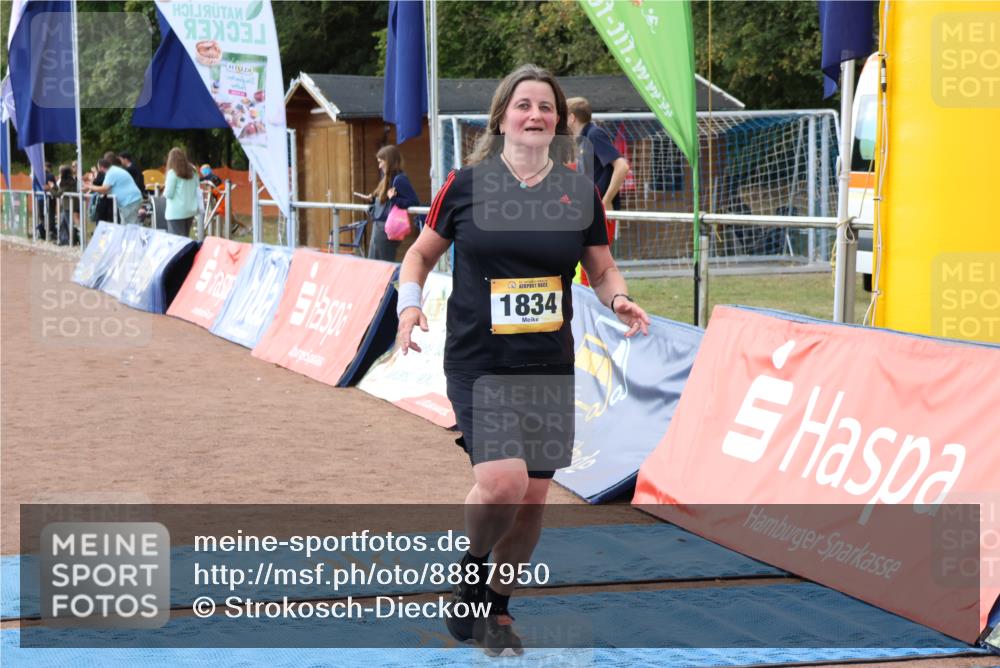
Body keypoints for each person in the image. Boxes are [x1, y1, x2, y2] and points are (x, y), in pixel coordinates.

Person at [396, 64, 650, 657]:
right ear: (502, 116)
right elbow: (418, 257)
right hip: (479, 361)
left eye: (546, 107)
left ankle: (499, 609)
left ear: (559, 121)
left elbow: (600, 264)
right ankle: (470, 572)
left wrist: (617, 296)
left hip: (547, 363)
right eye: (523, 105)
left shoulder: (577, 190)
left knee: (533, 498)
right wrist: (409, 309)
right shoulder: (465, 185)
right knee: (503, 482)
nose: (535, 115)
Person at [357, 145, 419, 261]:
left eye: (381, 162)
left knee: (382, 266)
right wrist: (373, 199)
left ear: (389, 161)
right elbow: (384, 201)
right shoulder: (387, 178)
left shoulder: (399, 179)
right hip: (379, 227)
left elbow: (413, 202)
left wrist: (394, 199)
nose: (380, 166)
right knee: (376, 264)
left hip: (387, 229)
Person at [85, 157, 143, 225]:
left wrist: (90, 187)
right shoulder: (114, 170)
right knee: (127, 225)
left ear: (101, 167)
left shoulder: (111, 173)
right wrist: (92, 187)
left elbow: (104, 189)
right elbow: (106, 189)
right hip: (132, 199)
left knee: (130, 225)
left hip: (129, 201)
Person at [163, 148, 200, 237]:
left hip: (176, 213)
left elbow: (169, 194)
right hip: (190, 211)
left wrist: (163, 192)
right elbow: (197, 188)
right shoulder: (193, 172)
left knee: (176, 242)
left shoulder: (172, 173)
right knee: (185, 238)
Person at [54, 165, 79, 246]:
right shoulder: (71, 181)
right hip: (67, 205)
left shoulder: (67, 182)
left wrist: (51, 188)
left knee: (68, 223)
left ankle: (73, 240)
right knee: (63, 223)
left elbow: (57, 194)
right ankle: (64, 240)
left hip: (67, 206)